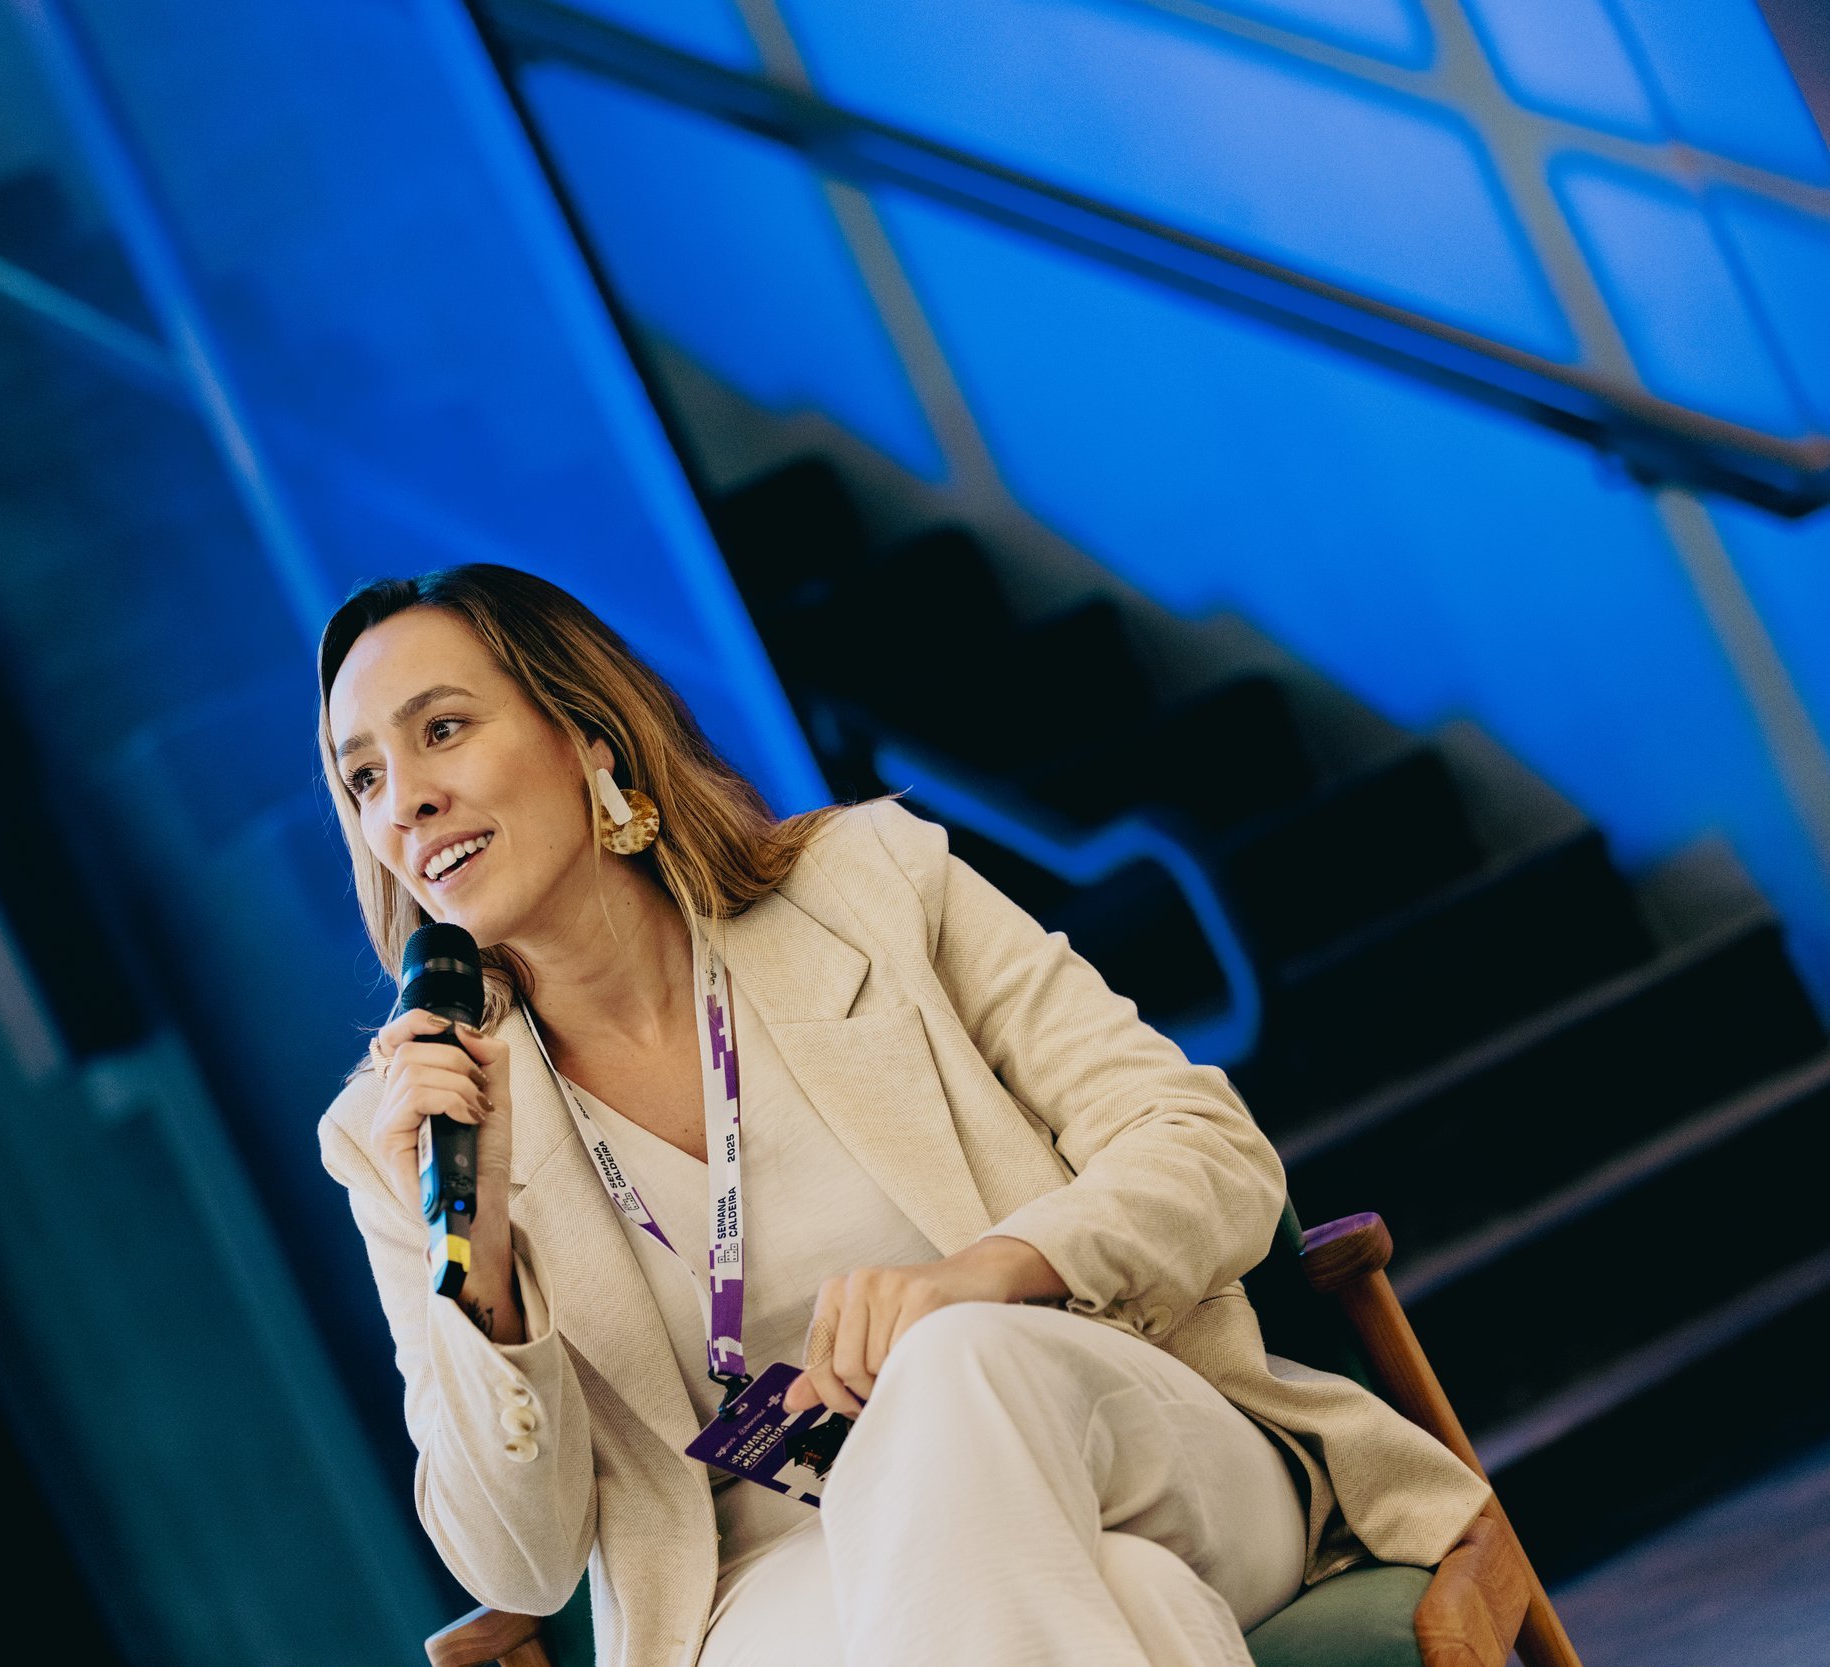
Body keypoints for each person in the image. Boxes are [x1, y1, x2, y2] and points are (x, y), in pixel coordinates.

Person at [315, 566, 1487, 1667]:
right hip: (772, 1573)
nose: (405, 799)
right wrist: (484, 1275)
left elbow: (1210, 1151)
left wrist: (984, 1274)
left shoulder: (870, 888)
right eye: (362, 777)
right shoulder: (400, 1130)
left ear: (587, 733)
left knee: (954, 1362)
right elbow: (514, 1561)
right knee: (1127, 1600)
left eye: (443, 728)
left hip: (1119, 1433)